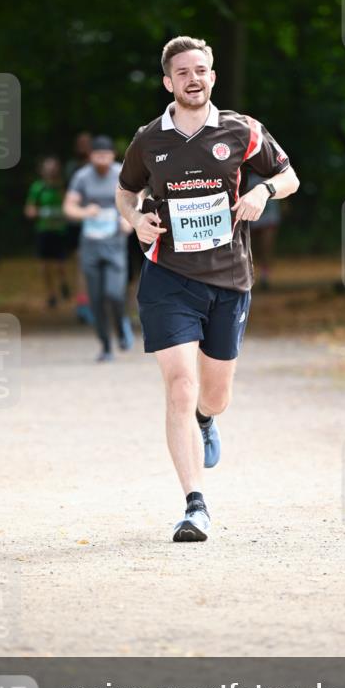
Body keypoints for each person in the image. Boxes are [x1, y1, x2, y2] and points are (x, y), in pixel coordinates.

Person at [116, 35, 299, 542]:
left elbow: (289, 178)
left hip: (230, 279)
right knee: (179, 383)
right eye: (182, 73)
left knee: (214, 394)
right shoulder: (149, 139)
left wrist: (263, 190)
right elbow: (125, 191)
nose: (193, 79)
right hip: (167, 277)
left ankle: (205, 419)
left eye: (201, 70)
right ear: (168, 82)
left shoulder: (243, 130)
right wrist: (135, 221)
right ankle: (194, 505)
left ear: (212, 76)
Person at [64, 135, 133, 361]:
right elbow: (69, 207)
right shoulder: (82, 177)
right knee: (95, 298)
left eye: (106, 155)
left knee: (113, 293)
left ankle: (121, 328)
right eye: (97, 155)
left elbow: (138, 196)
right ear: (90, 156)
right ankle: (105, 346)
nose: (102, 159)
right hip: (91, 243)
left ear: (113, 155)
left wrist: (130, 219)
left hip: (115, 244)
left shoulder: (122, 172)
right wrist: (85, 212)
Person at [24, 156, 71, 308]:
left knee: (60, 265)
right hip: (43, 230)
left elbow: (70, 206)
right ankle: (51, 294)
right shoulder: (38, 188)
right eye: (48, 168)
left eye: (53, 168)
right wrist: (39, 213)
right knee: (44, 266)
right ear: (42, 170)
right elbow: (29, 209)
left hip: (59, 231)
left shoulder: (62, 187)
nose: (51, 171)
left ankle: (63, 284)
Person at [65, 131, 95, 324]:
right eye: (80, 143)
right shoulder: (73, 168)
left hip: (103, 221)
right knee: (81, 263)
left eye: (87, 143)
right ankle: (83, 303)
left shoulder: (103, 166)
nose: (83, 146)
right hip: (79, 222)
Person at [247, 167, 282, 289]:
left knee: (266, 247)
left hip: (270, 218)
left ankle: (265, 276)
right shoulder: (248, 179)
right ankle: (255, 273)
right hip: (253, 218)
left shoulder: (274, 177)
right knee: (254, 249)